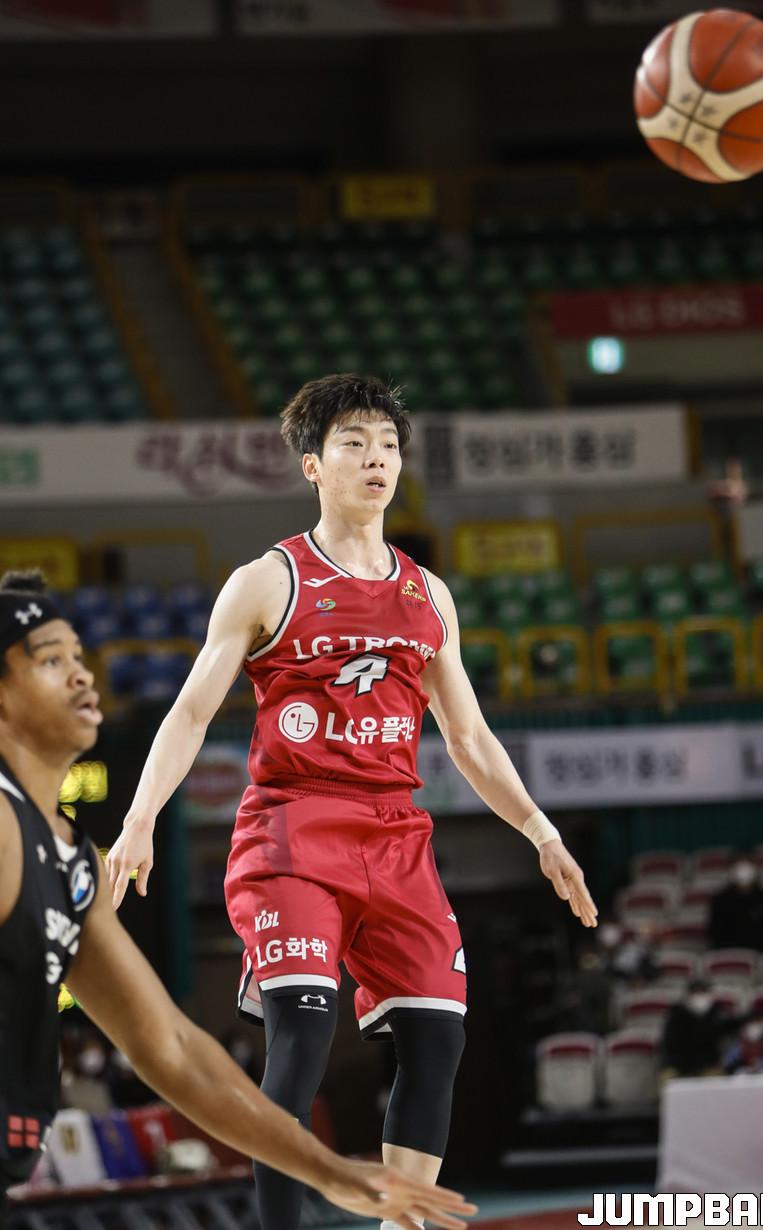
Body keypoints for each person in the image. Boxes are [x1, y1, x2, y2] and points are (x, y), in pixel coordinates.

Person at [106, 374, 598, 1230]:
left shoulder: (428, 594)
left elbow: (470, 738)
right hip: (292, 830)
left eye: (389, 445)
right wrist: (140, 818)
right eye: (355, 444)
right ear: (313, 466)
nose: (377, 459)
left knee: (438, 1040)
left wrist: (540, 832)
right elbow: (188, 714)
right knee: (301, 1034)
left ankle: (402, 1224)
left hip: (395, 837)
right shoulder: (267, 581)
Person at [0, 568, 476, 1230]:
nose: (84, 676)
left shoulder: (69, 860)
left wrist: (332, 1173)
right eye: (52, 662)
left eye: (79, 656)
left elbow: (174, 1049)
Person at [659, 979, 738, 1085]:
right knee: (667, 1077)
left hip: (708, 1064)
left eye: (703, 992)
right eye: (697, 993)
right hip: (679, 1064)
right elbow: (669, 1043)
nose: (700, 997)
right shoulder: (676, 1014)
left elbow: (727, 1030)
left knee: (717, 1079)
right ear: (689, 995)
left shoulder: (716, 1014)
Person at [707, 857, 763, 952]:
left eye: (747, 867)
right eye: (739, 868)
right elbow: (715, 930)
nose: (743, 872)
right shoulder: (720, 900)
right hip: (729, 951)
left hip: (760, 950)